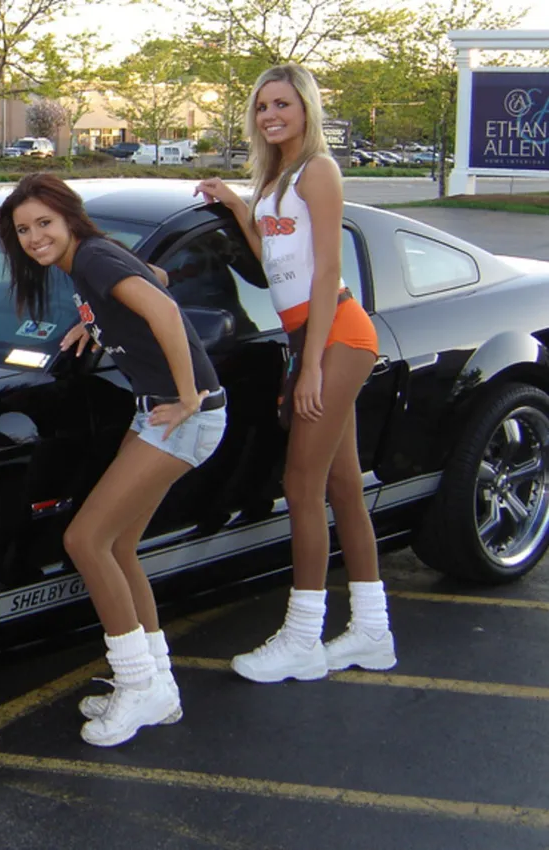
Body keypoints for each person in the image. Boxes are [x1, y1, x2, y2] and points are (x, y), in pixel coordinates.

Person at [0, 172, 227, 747]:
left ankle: (136, 683)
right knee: (120, 545)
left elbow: (165, 311)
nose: (34, 237)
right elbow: (157, 278)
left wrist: (188, 397)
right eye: (23, 230)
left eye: (44, 223)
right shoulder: (93, 262)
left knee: (86, 540)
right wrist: (96, 318)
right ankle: (157, 684)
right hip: (157, 414)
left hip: (182, 416)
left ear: (69, 218)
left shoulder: (94, 258)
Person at [195, 63, 393, 683]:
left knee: (301, 486)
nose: (270, 115)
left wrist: (309, 367)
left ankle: (303, 637)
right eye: (261, 106)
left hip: (336, 335)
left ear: (306, 108)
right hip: (310, 335)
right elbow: (275, 262)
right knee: (343, 487)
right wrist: (239, 206)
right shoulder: (277, 179)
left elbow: (327, 269)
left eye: (282, 103)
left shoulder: (319, 171)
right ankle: (372, 631)